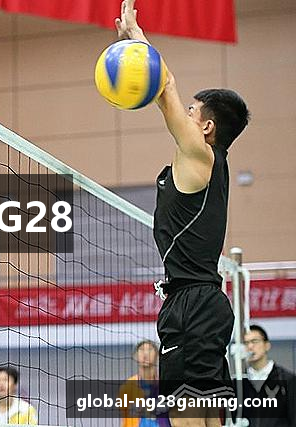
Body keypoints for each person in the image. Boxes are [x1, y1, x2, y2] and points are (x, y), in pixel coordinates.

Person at [115, 1, 250, 426]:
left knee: (187, 414)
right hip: (205, 303)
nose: (185, 113)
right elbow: (165, 87)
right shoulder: (212, 163)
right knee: (208, 415)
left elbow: (164, 85)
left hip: (190, 305)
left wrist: (137, 37)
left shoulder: (199, 154)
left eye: (192, 111)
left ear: (207, 127)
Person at [241, 325, 296, 426]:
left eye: (254, 341)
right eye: (246, 343)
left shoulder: (287, 379)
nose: (250, 347)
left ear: (267, 345)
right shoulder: (240, 384)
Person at [118, 340, 160, 427]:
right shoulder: (128, 387)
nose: (145, 353)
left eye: (150, 349)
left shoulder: (166, 385)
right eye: (141, 350)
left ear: (157, 355)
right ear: (135, 356)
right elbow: (125, 416)